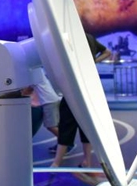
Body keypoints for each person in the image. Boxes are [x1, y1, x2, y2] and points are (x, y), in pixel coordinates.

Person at [51, 33, 111, 168]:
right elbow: (107, 52)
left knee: (66, 124)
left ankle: (56, 163)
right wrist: (93, 61)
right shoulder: (89, 37)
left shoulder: (69, 37)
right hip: (88, 85)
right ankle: (87, 161)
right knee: (87, 125)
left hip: (74, 86)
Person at [21, 67, 62, 152]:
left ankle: (66, 143)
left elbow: (27, 90)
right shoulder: (36, 71)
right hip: (51, 99)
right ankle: (62, 144)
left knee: (50, 126)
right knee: (55, 125)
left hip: (48, 101)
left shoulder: (33, 74)